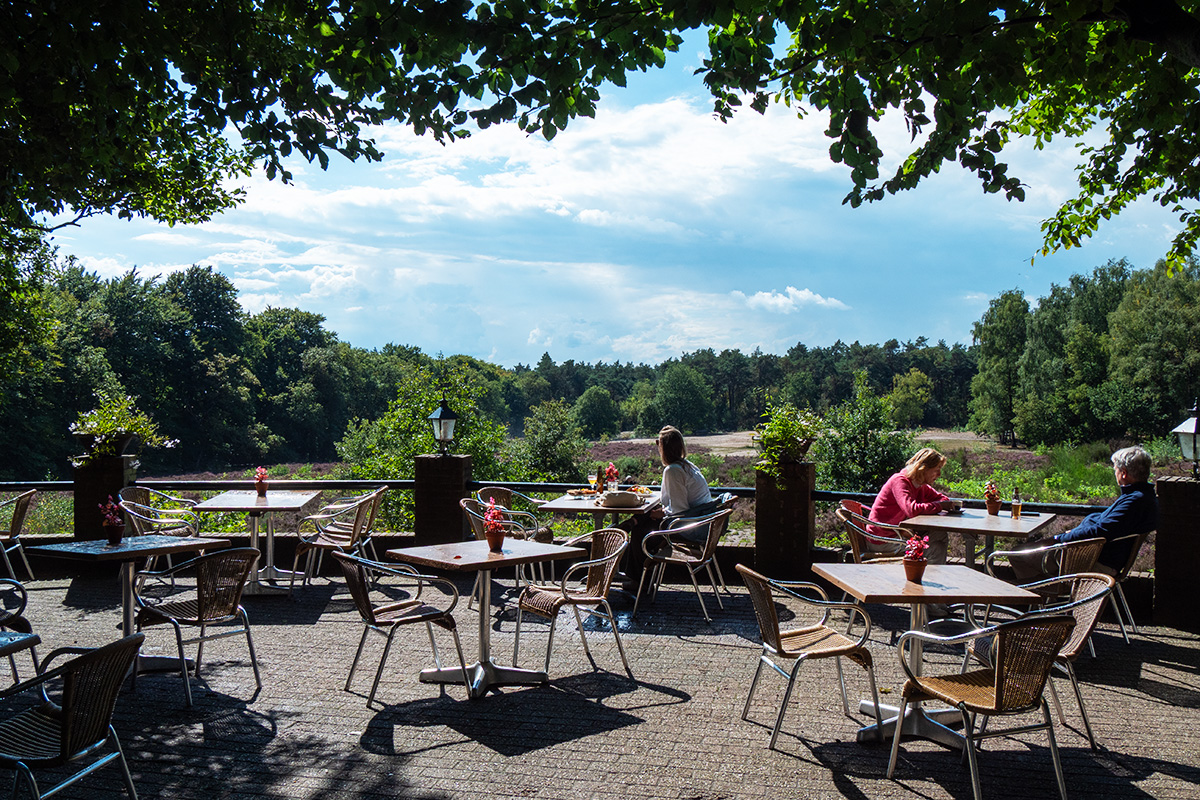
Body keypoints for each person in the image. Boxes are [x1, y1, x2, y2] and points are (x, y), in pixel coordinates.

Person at [1011, 445, 1158, 582]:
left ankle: (1044, 597)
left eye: (1115, 469)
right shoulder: (1143, 496)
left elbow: (1101, 531)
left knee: (1017, 554)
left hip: (1091, 563)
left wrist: (1058, 538)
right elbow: (1103, 522)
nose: (1115, 473)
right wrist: (1085, 523)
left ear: (1124, 473)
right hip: (1101, 559)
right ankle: (1050, 597)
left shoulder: (1134, 500)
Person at [619, 425, 716, 591]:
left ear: (663, 448)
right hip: (702, 522)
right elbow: (674, 503)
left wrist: (662, 513)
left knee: (642, 533)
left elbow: (679, 510)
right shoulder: (688, 466)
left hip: (690, 527)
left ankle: (636, 582)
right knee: (646, 523)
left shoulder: (673, 471)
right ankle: (638, 579)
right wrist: (662, 512)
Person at [868, 447, 957, 564]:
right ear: (924, 468)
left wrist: (942, 504)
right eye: (937, 469)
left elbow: (942, 499)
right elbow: (911, 510)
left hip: (898, 535)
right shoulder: (900, 481)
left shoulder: (920, 484)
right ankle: (927, 577)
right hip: (883, 540)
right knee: (932, 550)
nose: (939, 474)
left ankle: (930, 575)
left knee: (939, 535)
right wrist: (940, 506)